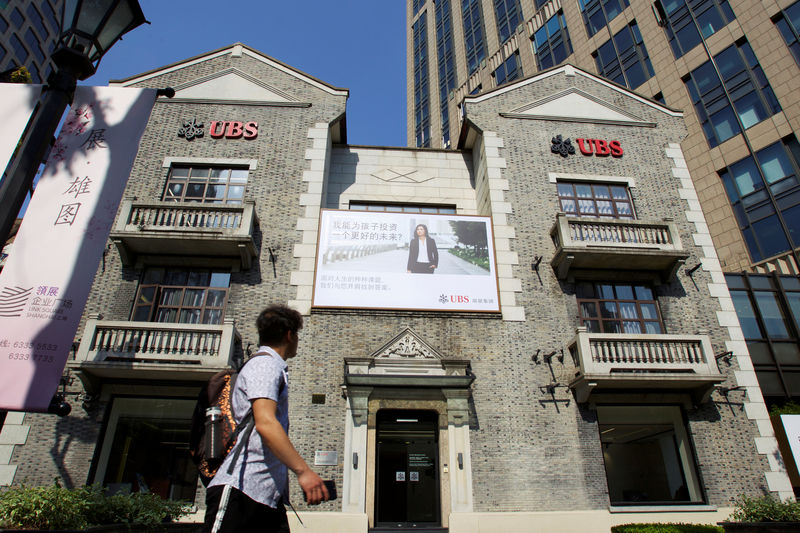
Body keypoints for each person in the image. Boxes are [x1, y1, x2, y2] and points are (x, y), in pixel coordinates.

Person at [203, 304, 329, 533]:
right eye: (297, 335)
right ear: (290, 335)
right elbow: (265, 422)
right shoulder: (265, 365)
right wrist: (303, 471)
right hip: (241, 490)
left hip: (266, 496)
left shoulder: (271, 366)